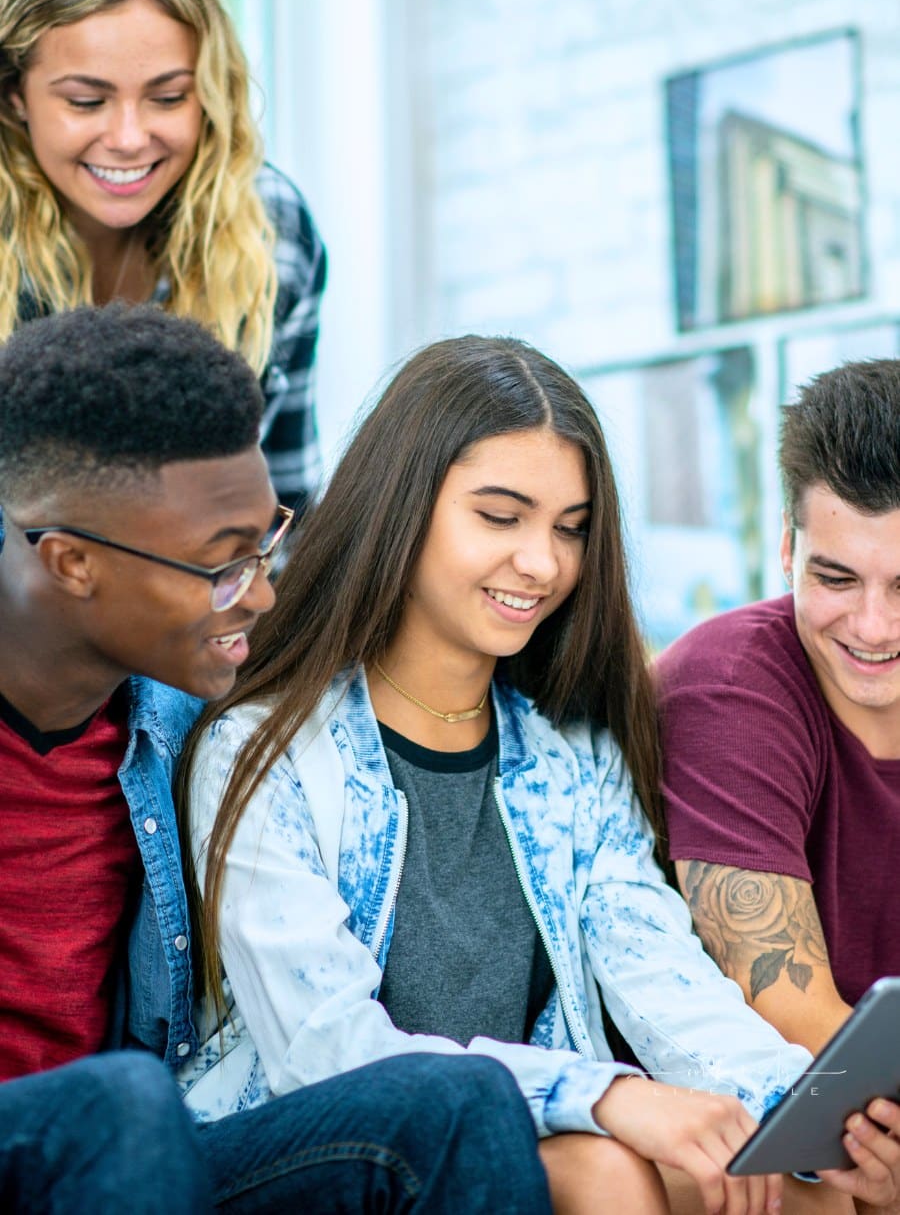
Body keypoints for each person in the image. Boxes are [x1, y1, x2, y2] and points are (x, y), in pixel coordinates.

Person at [177, 333, 890, 1214]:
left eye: (569, 529)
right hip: (313, 1155)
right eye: (500, 516)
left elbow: (665, 979)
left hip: (520, 1142)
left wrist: (819, 1122)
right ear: (404, 505)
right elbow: (327, 1050)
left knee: (792, 1187)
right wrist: (599, 1095)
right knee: (605, 1172)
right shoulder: (262, 751)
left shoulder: (570, 762)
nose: (543, 563)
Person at [0, 304, 553, 1213]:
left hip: (137, 1172)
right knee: (122, 1106)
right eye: (223, 565)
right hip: (94, 1138)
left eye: (266, 542)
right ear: (70, 563)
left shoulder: (176, 723)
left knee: (453, 1099)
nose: (258, 595)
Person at [658, 359, 900, 1213]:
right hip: (759, 1134)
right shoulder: (729, 687)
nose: (874, 626)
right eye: (837, 579)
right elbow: (795, 1022)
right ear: (787, 549)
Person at [0, 0, 324, 511]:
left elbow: (287, 504)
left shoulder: (271, 229)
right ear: (14, 94)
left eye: (168, 97)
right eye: (86, 100)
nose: (128, 137)